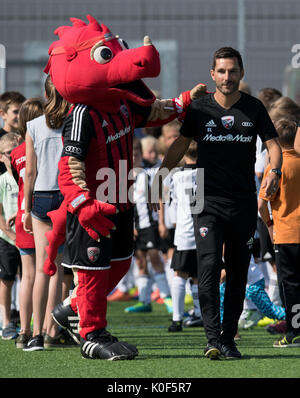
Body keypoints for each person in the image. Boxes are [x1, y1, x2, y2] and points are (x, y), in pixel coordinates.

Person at [150, 47, 282, 360]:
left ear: (241, 73)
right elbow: (180, 145)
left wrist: (274, 170)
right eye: (221, 71)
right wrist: (159, 179)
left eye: (232, 71)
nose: (226, 77)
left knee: (237, 273)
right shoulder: (200, 108)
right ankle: (211, 339)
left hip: (243, 204)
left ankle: (227, 339)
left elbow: (273, 146)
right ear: (212, 74)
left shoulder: (254, 108)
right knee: (208, 268)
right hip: (207, 203)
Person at [22, 76, 71, 351]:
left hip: (41, 195)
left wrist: (26, 209)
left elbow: (30, 172)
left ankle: (35, 334)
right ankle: (52, 329)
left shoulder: (33, 125)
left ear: (45, 92)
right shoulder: (74, 121)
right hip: (65, 196)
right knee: (57, 268)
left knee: (43, 267)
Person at [258, 118, 300, 347]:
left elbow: (262, 204)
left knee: (290, 285)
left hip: (286, 234)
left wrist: (270, 226)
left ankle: (295, 330)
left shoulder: (275, 167)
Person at [9, 98, 44, 348]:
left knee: (27, 276)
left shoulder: (14, 153)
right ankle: (45, 330)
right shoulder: (45, 145)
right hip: (40, 214)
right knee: (47, 274)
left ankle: (23, 331)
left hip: (23, 214)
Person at [125, 138, 171, 313]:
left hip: (149, 224)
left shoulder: (147, 174)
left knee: (155, 258)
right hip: (134, 227)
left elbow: (158, 198)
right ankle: (144, 300)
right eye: (132, 153)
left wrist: (161, 222)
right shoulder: (124, 176)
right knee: (140, 262)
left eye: (137, 152)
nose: (134, 156)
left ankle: (167, 297)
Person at [167, 141, 202, 332]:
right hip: (203, 231)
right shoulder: (206, 173)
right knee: (197, 275)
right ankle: (199, 313)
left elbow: (171, 202)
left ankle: (177, 319)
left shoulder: (177, 176)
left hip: (185, 232)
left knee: (179, 275)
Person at [0, 133, 22, 340]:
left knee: (28, 278)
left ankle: (27, 320)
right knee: (6, 279)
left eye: (16, 153)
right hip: (7, 239)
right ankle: (6, 322)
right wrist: (9, 233)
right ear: (1, 157)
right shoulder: (2, 181)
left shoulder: (26, 177)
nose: (12, 157)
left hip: (27, 236)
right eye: (8, 154)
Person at [0, 92, 26, 174]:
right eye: (15, 112)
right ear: (3, 114)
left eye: (22, 111)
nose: (19, 116)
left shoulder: (27, 136)